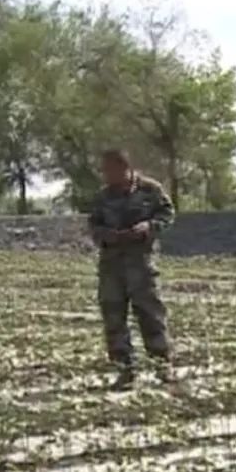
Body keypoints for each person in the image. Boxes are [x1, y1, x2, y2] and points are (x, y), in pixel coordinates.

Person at [88, 149, 176, 390]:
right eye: (103, 170)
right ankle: (124, 371)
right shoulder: (102, 197)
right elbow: (94, 224)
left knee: (150, 314)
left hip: (141, 263)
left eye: (108, 169)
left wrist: (148, 227)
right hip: (111, 265)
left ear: (124, 167)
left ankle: (162, 366)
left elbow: (168, 214)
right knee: (114, 317)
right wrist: (107, 235)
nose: (105, 175)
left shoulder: (150, 190)